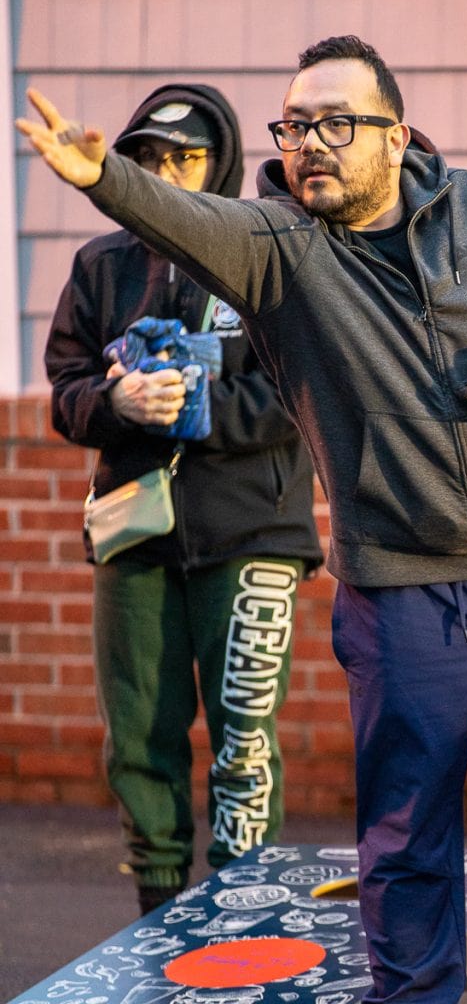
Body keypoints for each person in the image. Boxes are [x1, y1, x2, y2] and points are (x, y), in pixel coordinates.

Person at [17, 36, 467, 1003]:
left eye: (337, 124)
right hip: (403, 588)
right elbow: (183, 214)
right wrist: (102, 177)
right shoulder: (278, 249)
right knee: (407, 828)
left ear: (396, 136)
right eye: (295, 125)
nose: (310, 143)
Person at [41, 83, 323, 916]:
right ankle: (158, 918)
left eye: (186, 157)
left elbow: (305, 391)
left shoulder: (267, 255)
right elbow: (65, 391)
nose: (166, 172)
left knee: (244, 741)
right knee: (138, 740)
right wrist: (116, 403)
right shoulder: (102, 266)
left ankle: (245, 920)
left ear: (220, 161)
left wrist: (196, 406)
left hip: (253, 534)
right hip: (134, 532)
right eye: (148, 157)